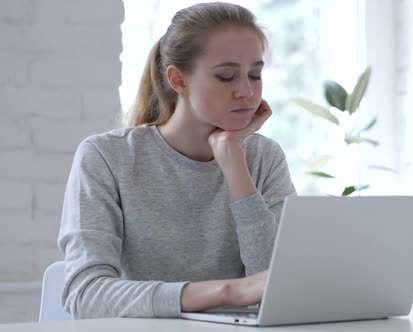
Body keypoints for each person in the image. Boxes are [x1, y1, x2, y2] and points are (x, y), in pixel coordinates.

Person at [58, 2, 296, 319]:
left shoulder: (264, 158)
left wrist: (234, 162)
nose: (246, 91)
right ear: (178, 80)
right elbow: (85, 294)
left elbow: (277, 287)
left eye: (255, 74)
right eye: (226, 77)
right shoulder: (106, 157)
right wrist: (228, 291)